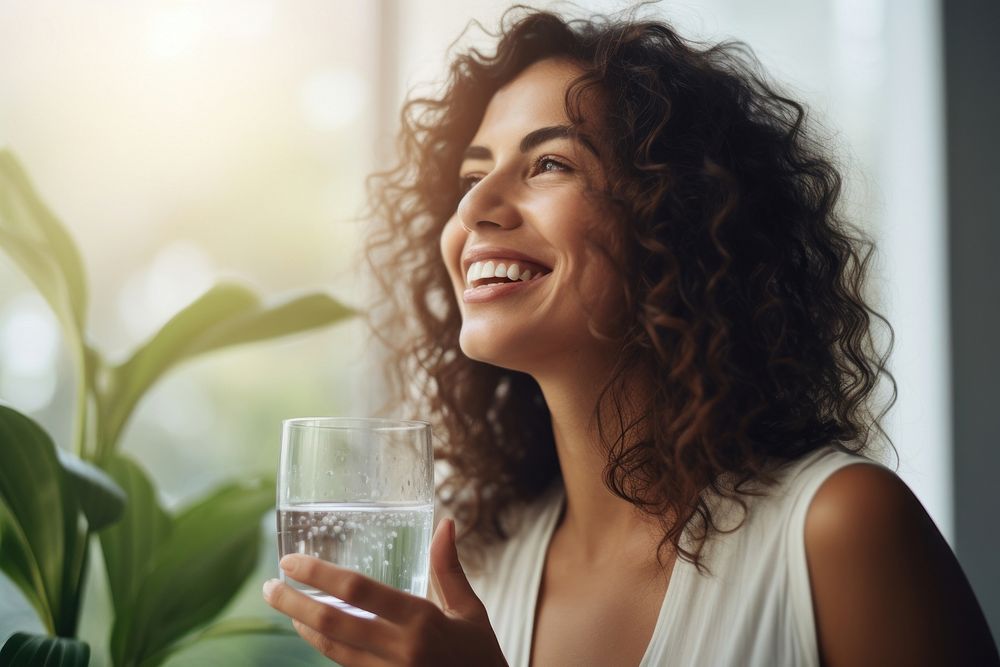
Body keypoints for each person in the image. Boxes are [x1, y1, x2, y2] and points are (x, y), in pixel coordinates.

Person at [264, 5, 1000, 666]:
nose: (477, 207)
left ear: (675, 219)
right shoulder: (476, 563)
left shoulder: (841, 532)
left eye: (548, 163)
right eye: (471, 175)